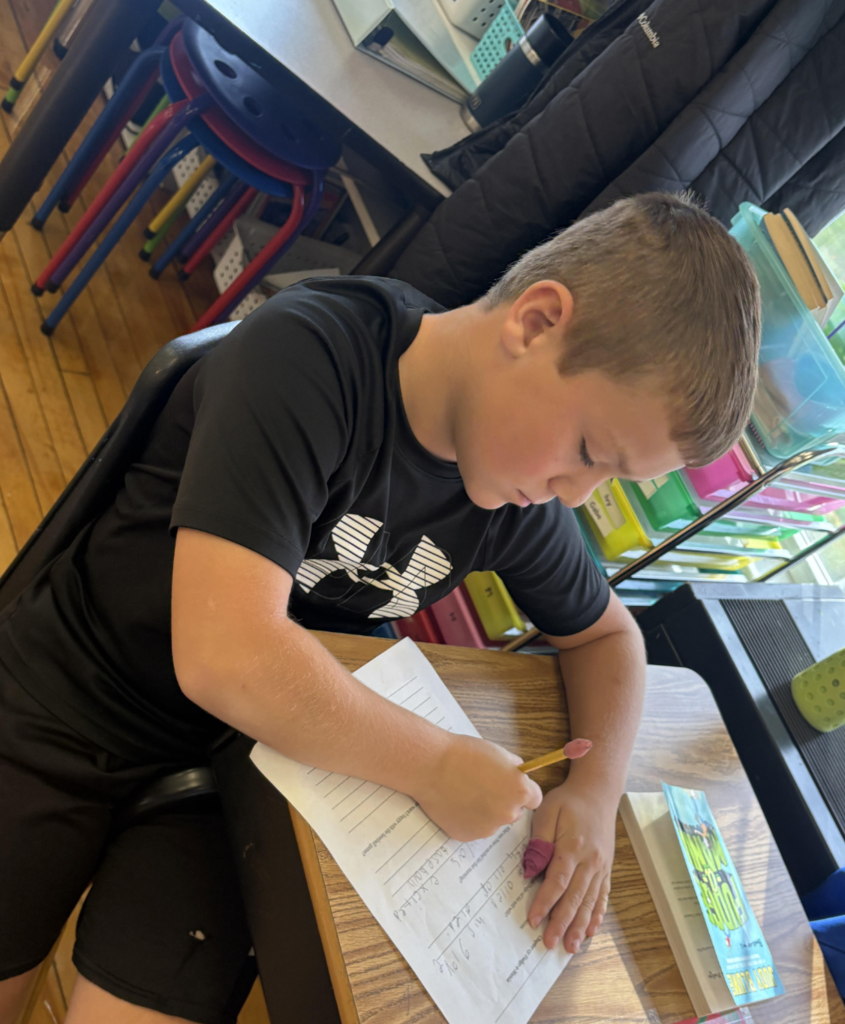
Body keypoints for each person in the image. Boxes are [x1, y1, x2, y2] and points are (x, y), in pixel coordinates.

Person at [0, 191, 760, 1024]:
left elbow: (608, 635)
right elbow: (223, 653)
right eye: (587, 452)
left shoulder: (509, 488)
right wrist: (435, 764)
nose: (575, 496)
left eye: (608, 478)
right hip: (75, 697)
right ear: (537, 321)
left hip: (255, 765)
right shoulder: (310, 357)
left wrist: (595, 789)